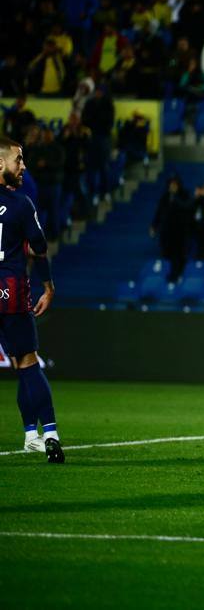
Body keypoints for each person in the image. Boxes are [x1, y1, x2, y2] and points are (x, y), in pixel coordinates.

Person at [0, 137, 62, 462]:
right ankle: (49, 433)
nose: (23, 166)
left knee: (22, 365)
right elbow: (39, 249)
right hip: (10, 292)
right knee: (27, 363)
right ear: (0, 165)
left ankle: (29, 435)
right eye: (18, 160)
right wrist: (48, 287)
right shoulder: (21, 204)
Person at [150, 175, 192, 283]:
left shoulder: (184, 195)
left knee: (179, 257)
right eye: (171, 184)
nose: (172, 186)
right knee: (167, 256)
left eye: (175, 184)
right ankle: (167, 278)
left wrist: (175, 198)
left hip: (180, 233)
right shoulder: (165, 197)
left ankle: (178, 276)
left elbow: (186, 207)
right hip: (167, 233)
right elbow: (159, 212)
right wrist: (154, 226)